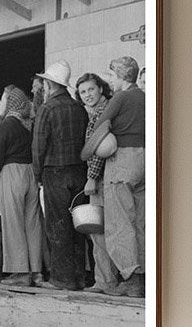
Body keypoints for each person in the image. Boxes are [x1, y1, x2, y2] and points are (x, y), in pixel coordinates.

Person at [87, 55, 147, 298]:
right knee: (140, 222)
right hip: (143, 158)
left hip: (121, 160)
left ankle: (131, 279)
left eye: (111, 75)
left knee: (119, 222)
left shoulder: (121, 97)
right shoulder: (144, 96)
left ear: (122, 75)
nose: (110, 79)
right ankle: (144, 277)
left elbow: (100, 126)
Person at [32, 60, 88, 291]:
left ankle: (62, 279)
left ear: (49, 84)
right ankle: (80, 277)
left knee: (58, 225)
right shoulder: (79, 107)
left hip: (54, 172)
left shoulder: (46, 109)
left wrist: (37, 174)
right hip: (79, 171)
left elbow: (38, 146)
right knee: (78, 225)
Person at [0, 85, 43, 287]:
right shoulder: (29, 125)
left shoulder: (4, 126)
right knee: (33, 224)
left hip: (11, 172)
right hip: (30, 172)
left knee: (13, 224)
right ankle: (36, 272)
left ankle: (20, 272)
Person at [74, 72, 120, 294]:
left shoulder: (102, 112)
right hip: (106, 176)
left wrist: (91, 177)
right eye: (83, 92)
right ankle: (108, 279)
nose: (87, 95)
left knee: (99, 230)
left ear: (101, 88)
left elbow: (100, 150)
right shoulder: (99, 111)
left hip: (101, 178)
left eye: (91, 89)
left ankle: (106, 281)